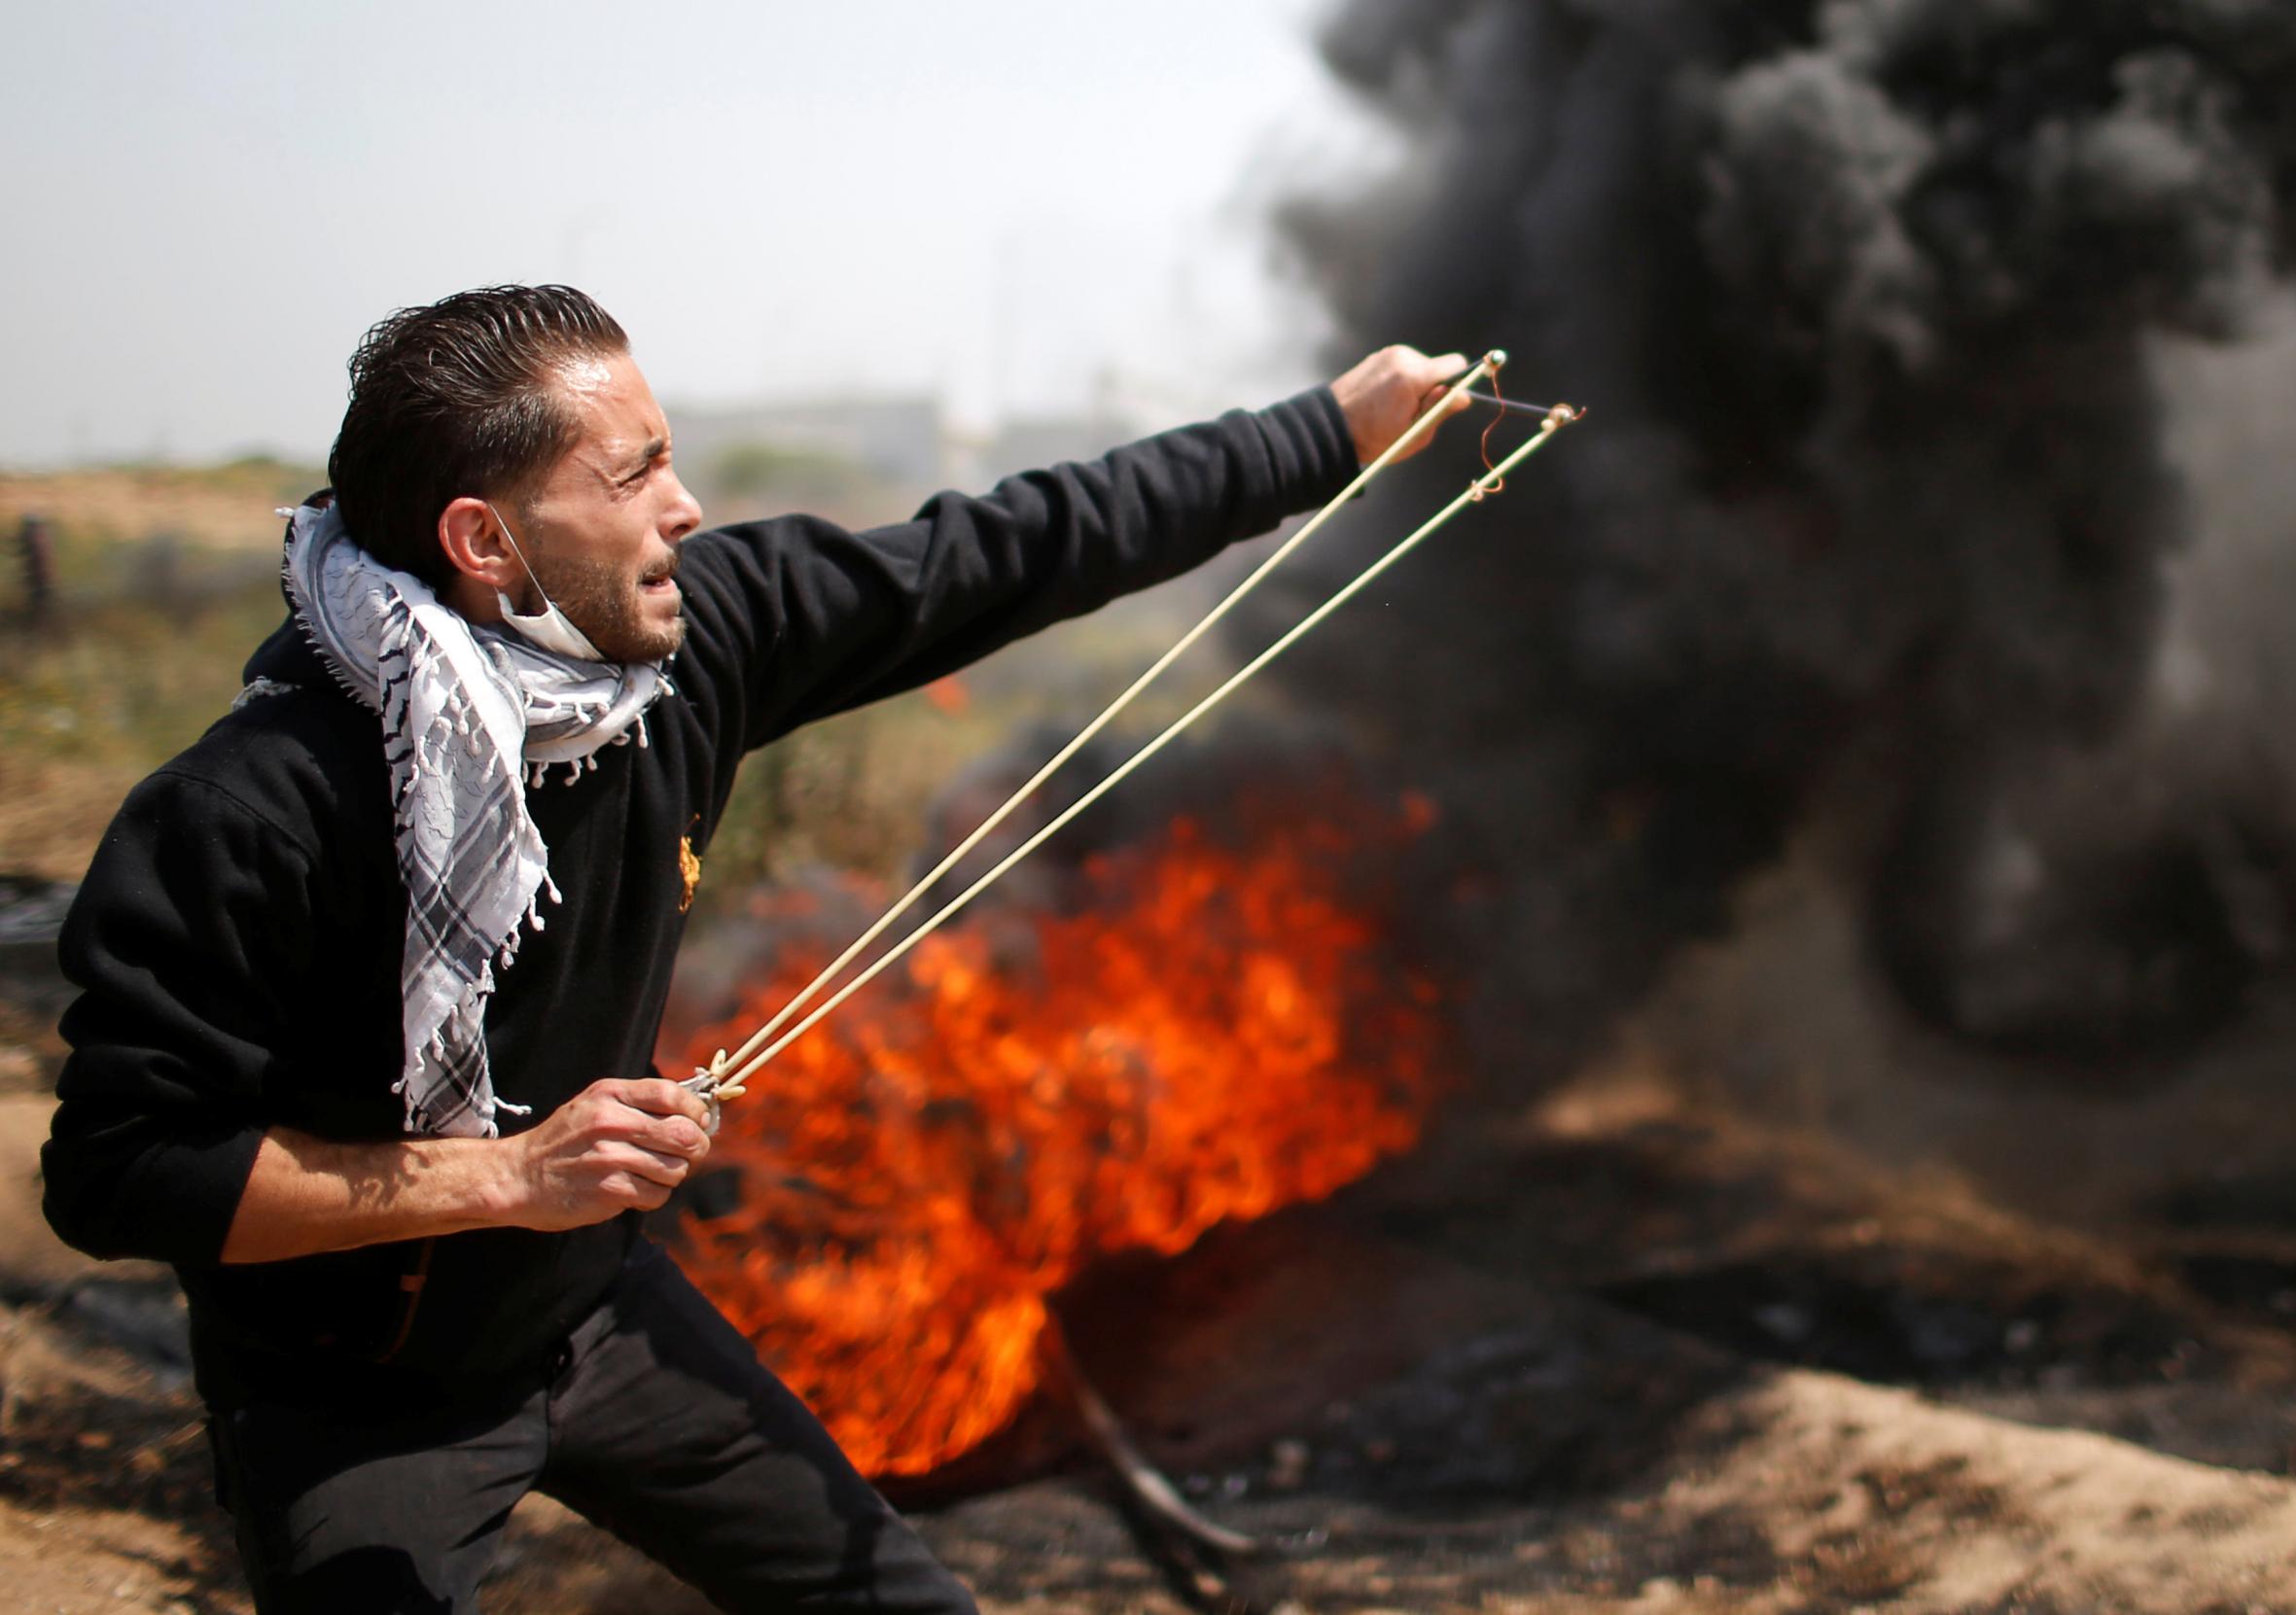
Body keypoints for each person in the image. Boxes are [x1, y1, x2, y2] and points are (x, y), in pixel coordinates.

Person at [40, 283, 1470, 1613]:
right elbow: (122, 1170)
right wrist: (510, 1174)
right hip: (347, 1390)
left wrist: (1328, 432)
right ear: (488, 543)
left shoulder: (685, 644)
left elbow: (1023, 543)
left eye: (671, 460)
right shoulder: (252, 809)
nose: (687, 507)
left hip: (597, 1313)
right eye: (631, 477)